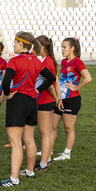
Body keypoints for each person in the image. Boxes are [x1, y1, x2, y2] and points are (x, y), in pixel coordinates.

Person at [0, 31, 57, 187]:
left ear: (21, 44)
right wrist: (37, 90)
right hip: (32, 102)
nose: (14, 45)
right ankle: (30, 170)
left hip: (17, 102)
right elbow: (50, 78)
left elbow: (5, 82)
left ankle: (14, 178)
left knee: (16, 142)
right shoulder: (36, 60)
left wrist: (8, 95)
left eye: (15, 42)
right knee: (28, 139)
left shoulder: (14, 61)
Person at [53, 37, 92, 161]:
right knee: (52, 126)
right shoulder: (64, 62)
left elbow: (88, 78)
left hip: (72, 100)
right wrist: (58, 97)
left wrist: (76, 87)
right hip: (62, 99)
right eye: (61, 47)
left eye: (64, 47)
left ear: (72, 48)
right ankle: (49, 148)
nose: (62, 49)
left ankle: (67, 153)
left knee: (68, 128)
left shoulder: (77, 62)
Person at [34, 35, 61, 172]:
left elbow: (50, 83)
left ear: (42, 46)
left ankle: (43, 164)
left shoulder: (47, 62)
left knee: (44, 133)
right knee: (48, 132)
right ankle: (48, 158)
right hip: (48, 100)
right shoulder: (49, 60)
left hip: (45, 100)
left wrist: (55, 97)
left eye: (36, 45)